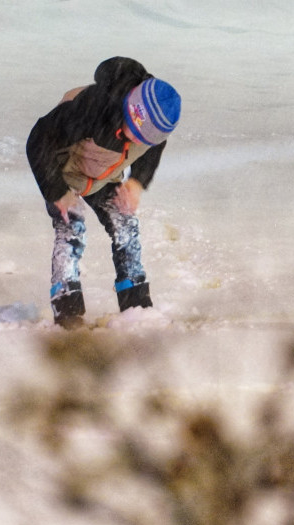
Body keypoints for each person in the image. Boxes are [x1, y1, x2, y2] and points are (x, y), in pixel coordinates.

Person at [26, 57, 182, 328]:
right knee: (71, 228)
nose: (133, 139)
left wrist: (136, 183)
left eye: (142, 139)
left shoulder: (155, 128)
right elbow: (38, 141)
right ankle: (67, 308)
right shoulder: (90, 110)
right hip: (64, 171)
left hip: (105, 175)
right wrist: (58, 192)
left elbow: (152, 150)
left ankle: (135, 301)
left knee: (125, 224)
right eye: (131, 131)